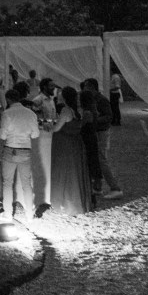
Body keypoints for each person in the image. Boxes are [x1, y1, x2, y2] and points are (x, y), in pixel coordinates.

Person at [49, 86, 92, 216]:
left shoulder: (66, 110)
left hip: (65, 145)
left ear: (64, 97)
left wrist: (48, 126)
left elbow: (57, 128)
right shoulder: (78, 110)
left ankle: (65, 204)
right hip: (76, 144)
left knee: (64, 173)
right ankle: (76, 203)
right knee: (75, 172)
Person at [0, 88, 39, 220]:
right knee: (26, 183)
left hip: (10, 149)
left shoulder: (7, 113)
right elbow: (35, 134)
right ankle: (29, 215)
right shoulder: (31, 113)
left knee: (7, 183)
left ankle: (8, 214)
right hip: (25, 150)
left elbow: (2, 136)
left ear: (8, 99)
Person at [81, 78, 122, 199]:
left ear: (92, 87)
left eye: (86, 87)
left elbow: (109, 116)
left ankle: (115, 188)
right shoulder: (91, 99)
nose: (84, 89)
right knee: (96, 160)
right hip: (96, 132)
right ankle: (97, 187)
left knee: (101, 160)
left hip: (101, 132)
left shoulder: (101, 100)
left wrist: (93, 120)